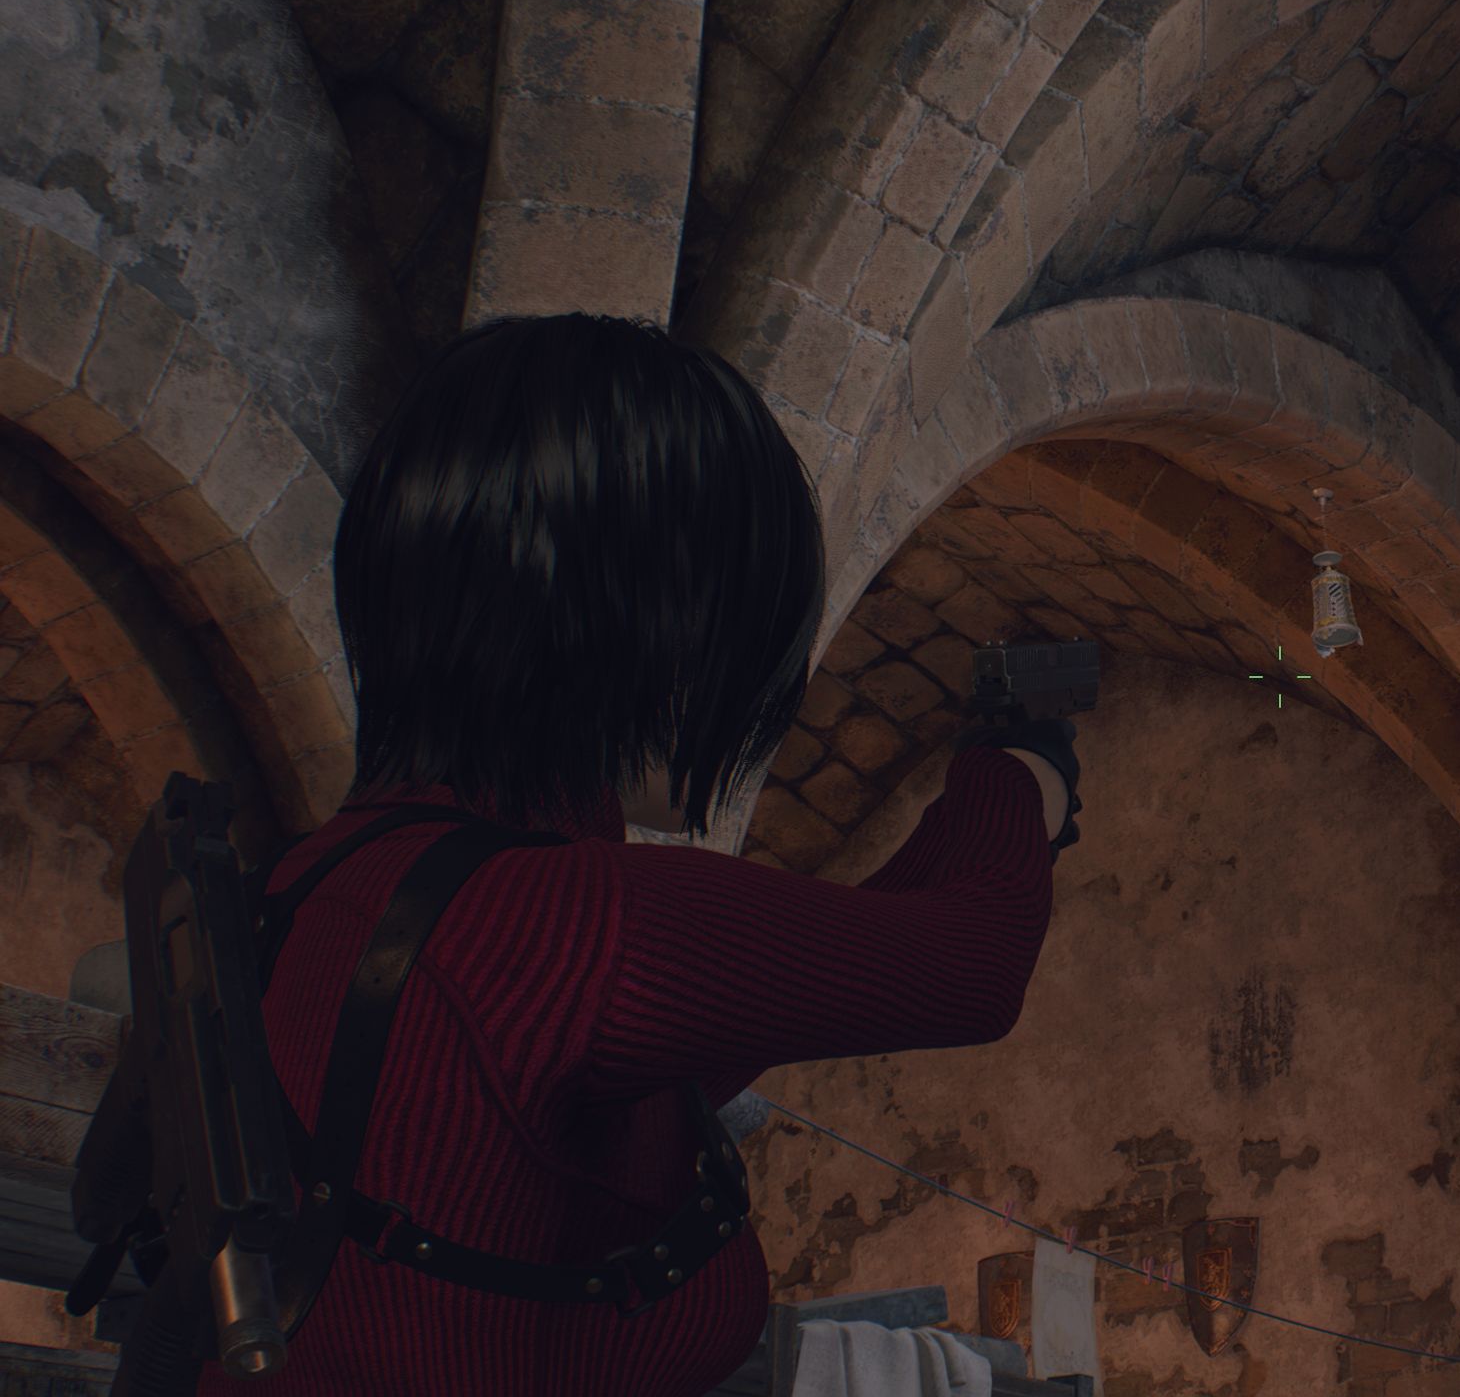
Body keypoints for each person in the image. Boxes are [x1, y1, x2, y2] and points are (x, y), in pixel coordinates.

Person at [194, 314, 1075, 1395]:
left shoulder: (330, 879)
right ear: (638, 623)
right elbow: (972, 960)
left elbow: (789, 985)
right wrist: (1021, 774)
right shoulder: (574, 918)